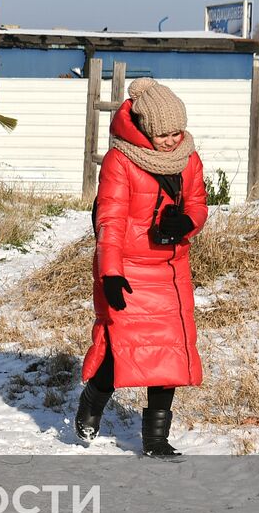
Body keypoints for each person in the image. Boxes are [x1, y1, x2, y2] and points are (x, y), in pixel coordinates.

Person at [75, 78, 209, 457]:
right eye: (164, 133)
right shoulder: (121, 160)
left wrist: (188, 222)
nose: (172, 140)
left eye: (177, 131)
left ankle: (155, 439)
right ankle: (92, 402)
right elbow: (110, 222)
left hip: (170, 269)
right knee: (122, 351)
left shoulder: (189, 156)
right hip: (128, 269)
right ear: (146, 128)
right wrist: (110, 274)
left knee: (169, 353)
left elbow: (198, 203)